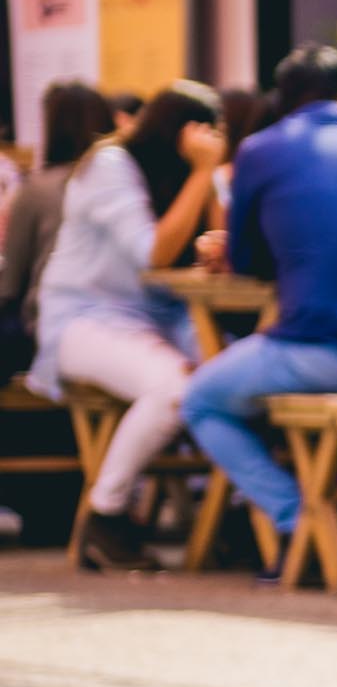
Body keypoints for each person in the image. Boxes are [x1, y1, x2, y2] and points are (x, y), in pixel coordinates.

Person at [179, 46, 337, 546]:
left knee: (201, 401)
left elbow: (249, 264)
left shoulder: (260, 149)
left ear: (283, 100)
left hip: (314, 354)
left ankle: (301, 523)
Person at [28, 82, 227, 571]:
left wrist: (210, 203)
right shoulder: (110, 166)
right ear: (180, 133)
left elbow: (224, 247)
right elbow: (152, 252)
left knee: (232, 377)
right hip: (83, 320)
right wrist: (204, 172)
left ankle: (237, 518)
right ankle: (106, 514)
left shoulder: (174, 174)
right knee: (175, 387)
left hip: (160, 320)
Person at [0, 82, 116, 376]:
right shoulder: (125, 184)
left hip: (50, 326)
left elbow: (11, 283)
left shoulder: (37, 189)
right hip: (120, 320)